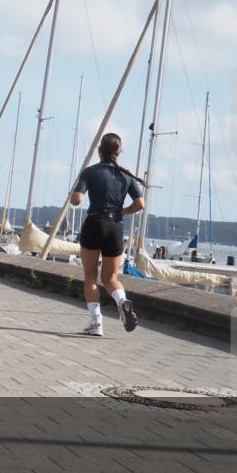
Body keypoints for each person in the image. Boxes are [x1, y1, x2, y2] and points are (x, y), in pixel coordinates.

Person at [70, 133, 146, 336]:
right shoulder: (126, 176)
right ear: (118, 152)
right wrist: (124, 211)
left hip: (95, 223)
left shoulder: (90, 172)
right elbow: (140, 203)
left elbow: (76, 200)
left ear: (99, 150)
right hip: (115, 227)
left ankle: (96, 324)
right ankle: (122, 301)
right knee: (111, 277)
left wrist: (75, 192)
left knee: (90, 277)